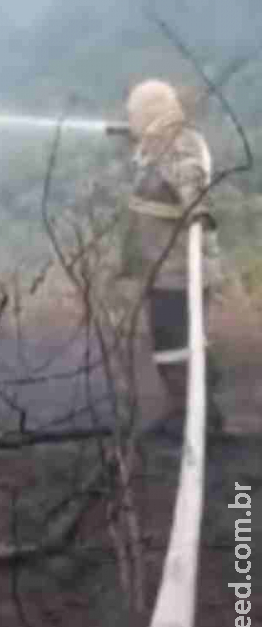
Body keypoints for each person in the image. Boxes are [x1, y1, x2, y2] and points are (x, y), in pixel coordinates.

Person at [115, 78, 227, 439]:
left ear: (149, 112)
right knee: (173, 342)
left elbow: (189, 176)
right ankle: (188, 409)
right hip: (162, 268)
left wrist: (197, 208)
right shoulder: (158, 143)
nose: (130, 119)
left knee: (175, 343)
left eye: (134, 114)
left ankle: (198, 416)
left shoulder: (180, 142)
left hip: (180, 269)